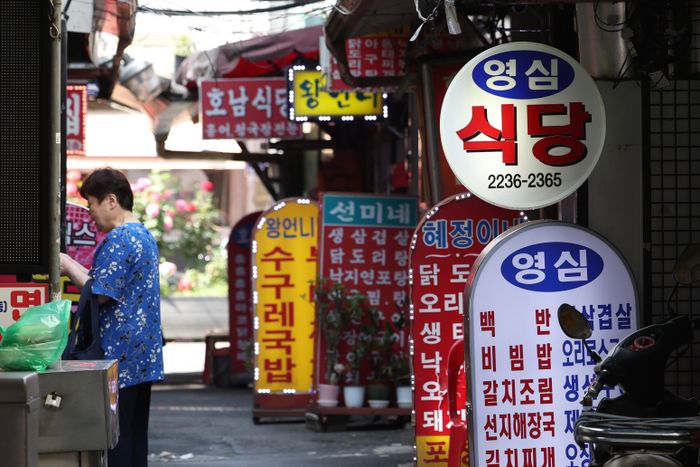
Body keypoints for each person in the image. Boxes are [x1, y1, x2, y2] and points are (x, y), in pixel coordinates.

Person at [60, 167, 164, 467]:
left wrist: (67, 265)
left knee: (116, 439)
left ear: (110, 201)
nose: (90, 213)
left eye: (91, 203)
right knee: (134, 435)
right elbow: (106, 282)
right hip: (143, 355)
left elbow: (102, 292)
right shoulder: (142, 234)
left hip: (120, 354)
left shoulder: (120, 238)